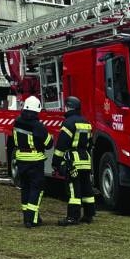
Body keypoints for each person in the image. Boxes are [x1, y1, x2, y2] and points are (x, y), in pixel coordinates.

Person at [53, 95, 95, 226]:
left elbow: (62, 144)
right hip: (85, 159)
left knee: (73, 189)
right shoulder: (86, 123)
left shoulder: (68, 123)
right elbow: (89, 143)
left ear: (69, 107)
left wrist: (56, 162)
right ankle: (89, 215)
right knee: (87, 188)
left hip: (73, 160)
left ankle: (72, 217)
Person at [13, 95, 53, 228]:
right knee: (37, 189)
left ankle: (27, 217)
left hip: (21, 159)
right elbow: (48, 144)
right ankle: (32, 219)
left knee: (25, 188)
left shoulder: (17, 122)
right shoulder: (38, 126)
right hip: (35, 160)